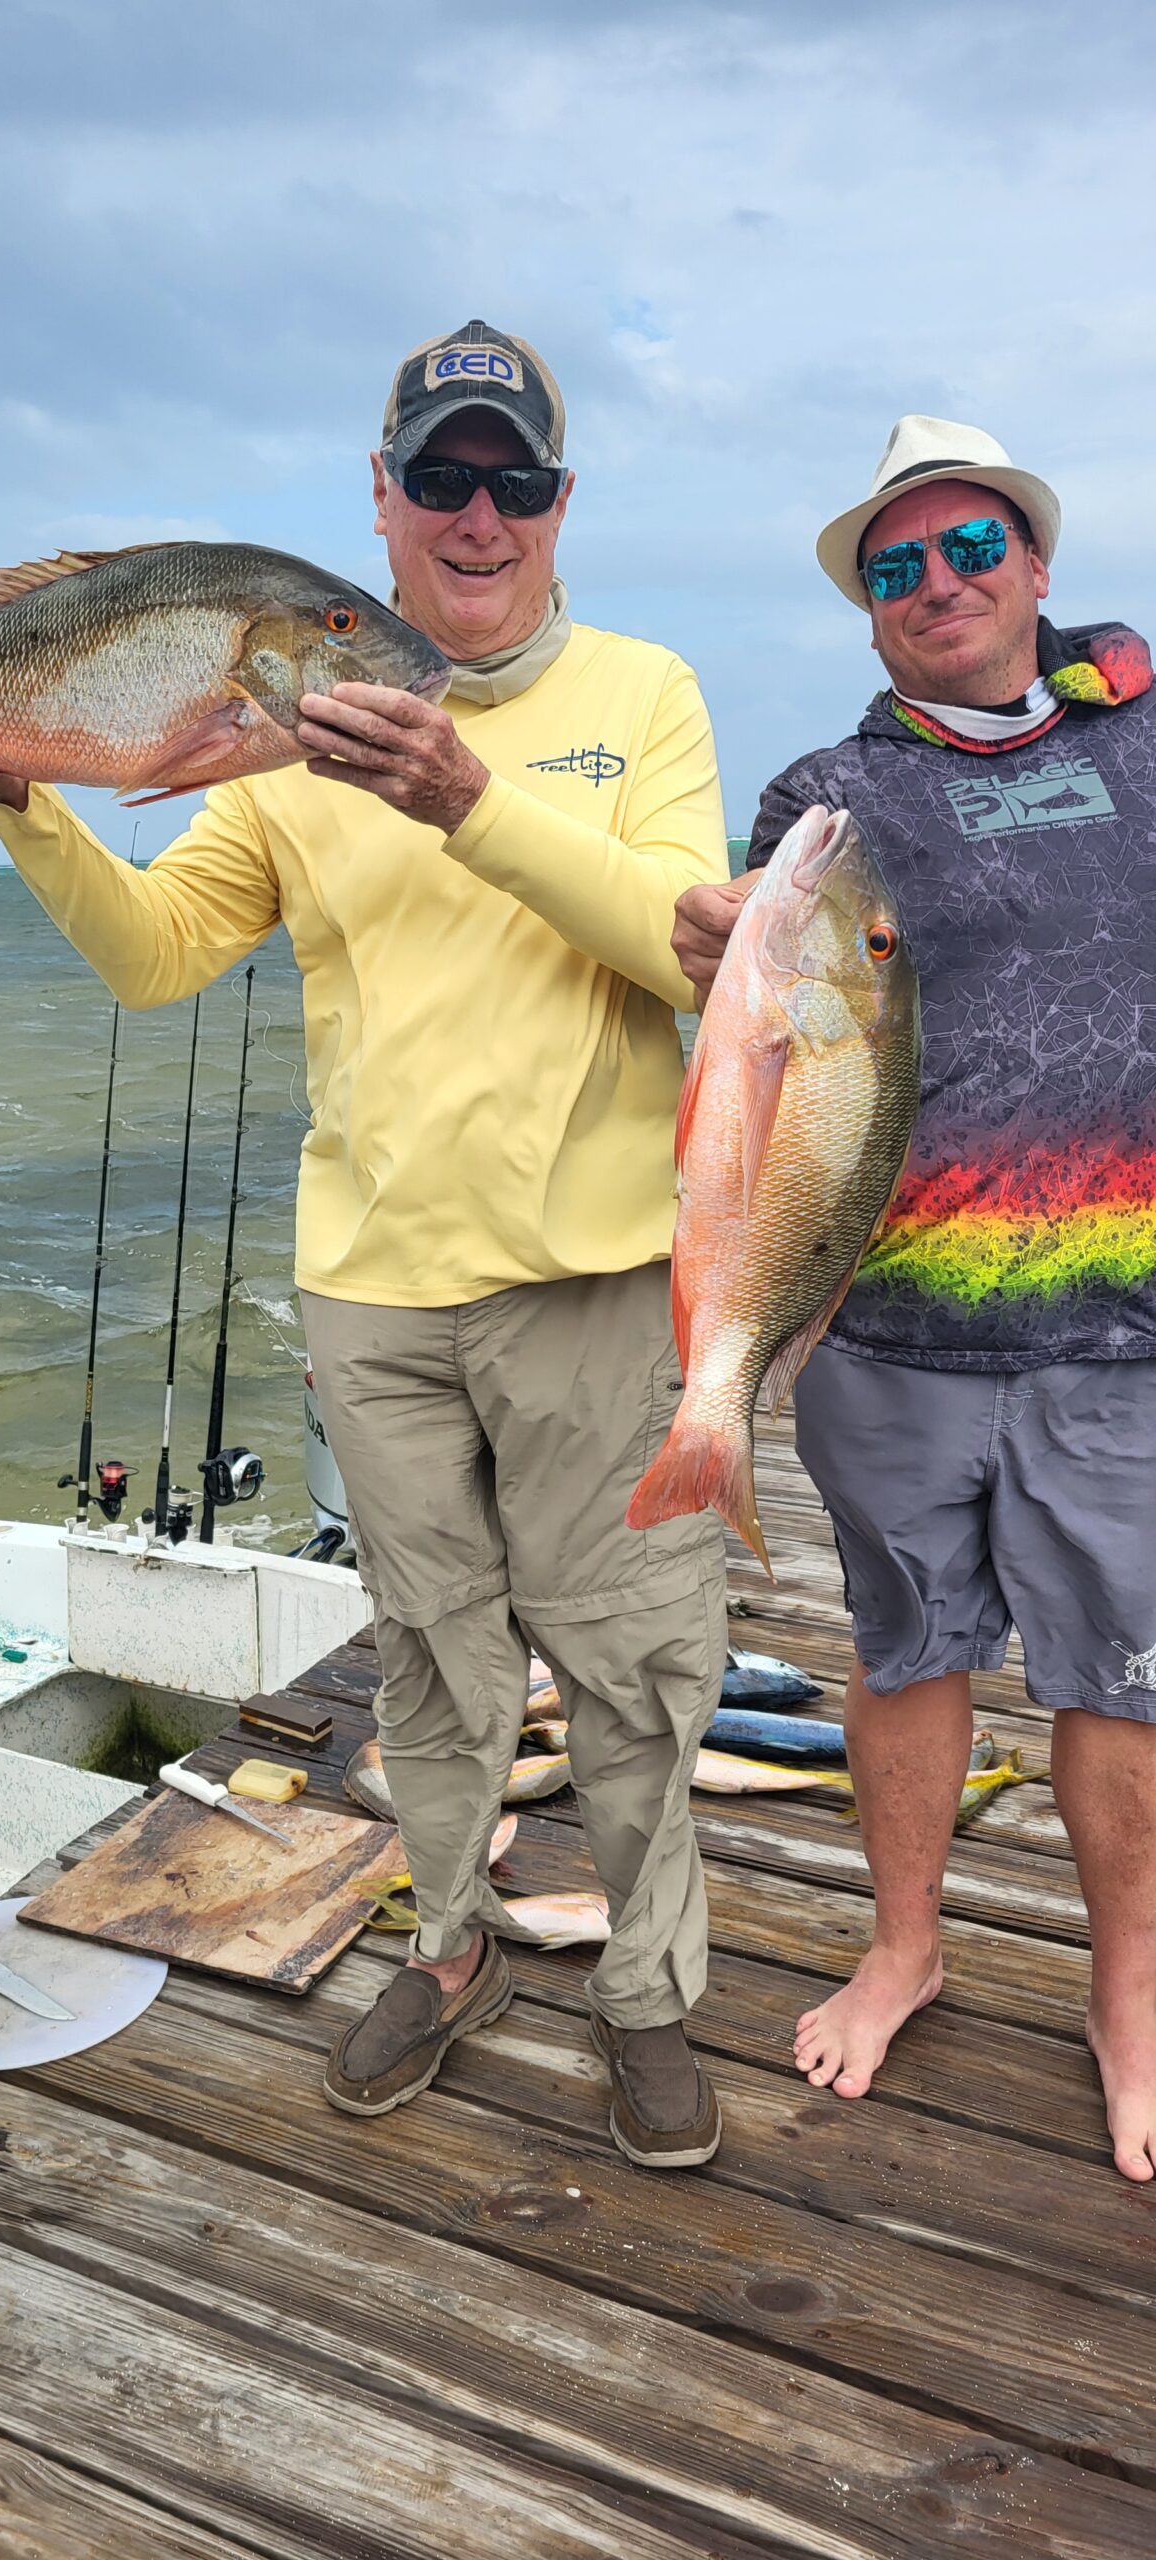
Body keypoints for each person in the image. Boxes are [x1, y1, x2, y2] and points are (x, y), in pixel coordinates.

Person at [0, 320, 732, 2169]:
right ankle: (448, 1947)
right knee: (427, 1658)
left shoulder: (644, 694)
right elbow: (157, 953)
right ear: (381, 501)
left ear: (561, 504)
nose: (476, 513)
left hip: (591, 1280)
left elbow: (683, 946)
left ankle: (648, 1993)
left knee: (637, 1663)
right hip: (374, 1286)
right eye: (441, 477)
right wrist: (9, 796)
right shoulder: (267, 739)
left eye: (513, 480)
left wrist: (463, 796)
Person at [672, 414, 1156, 2183]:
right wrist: (707, 954)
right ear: (866, 610)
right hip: (885, 1332)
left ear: (1032, 565)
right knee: (904, 1652)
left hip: (1125, 1332)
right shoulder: (826, 800)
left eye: (966, 551)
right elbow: (763, 1023)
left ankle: (1128, 1989)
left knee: (1121, 1682)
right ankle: (904, 1945)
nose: (934, 585)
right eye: (895, 568)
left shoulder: (1146, 735)